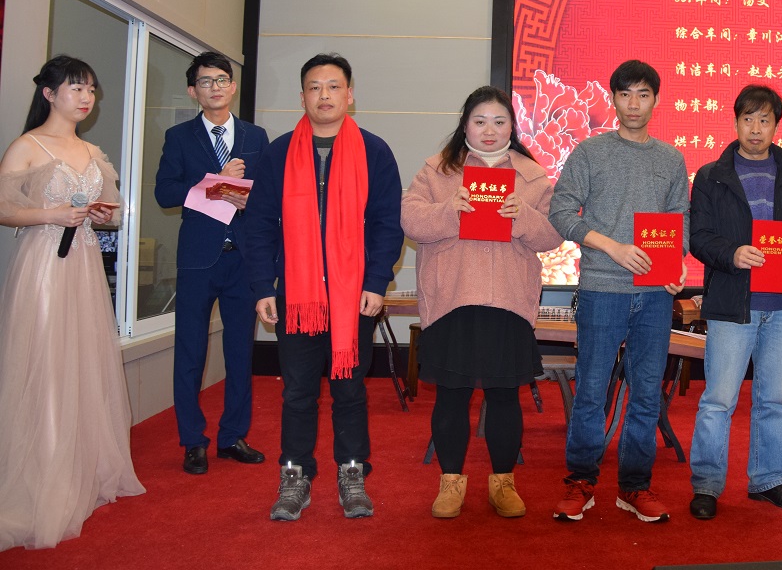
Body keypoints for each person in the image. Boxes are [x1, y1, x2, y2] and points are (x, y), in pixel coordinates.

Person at [244, 53, 404, 522]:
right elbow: (259, 225)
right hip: (296, 296)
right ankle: (295, 474)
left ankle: (352, 472)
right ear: (302, 97)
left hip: (354, 295)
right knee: (297, 392)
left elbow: (386, 224)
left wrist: (377, 281)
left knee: (350, 389)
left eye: (334, 86)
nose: (324, 95)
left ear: (350, 95)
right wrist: (263, 286)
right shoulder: (278, 153)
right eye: (314, 87)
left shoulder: (374, 151)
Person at [0, 56, 145, 550]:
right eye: (76, 88)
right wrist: (51, 214)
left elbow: (111, 216)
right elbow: (3, 208)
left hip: (83, 265)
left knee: (81, 359)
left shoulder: (90, 150)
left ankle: (83, 465)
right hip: (43, 265)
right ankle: (43, 474)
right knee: (46, 360)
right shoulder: (27, 145)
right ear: (49, 93)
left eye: (91, 90)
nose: (86, 98)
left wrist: (100, 215)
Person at [402, 86, 563, 519]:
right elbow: (410, 219)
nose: (489, 130)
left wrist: (524, 217)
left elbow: (554, 234)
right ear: (465, 125)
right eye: (479, 121)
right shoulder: (437, 170)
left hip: (508, 301)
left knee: (505, 396)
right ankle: (451, 482)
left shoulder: (533, 176)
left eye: (499, 121)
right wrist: (448, 210)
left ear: (512, 127)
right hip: (452, 299)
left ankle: (503, 483)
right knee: (451, 396)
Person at [548, 59, 689, 523]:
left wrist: (676, 263)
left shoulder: (671, 158)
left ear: (656, 100)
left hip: (655, 294)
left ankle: (634, 486)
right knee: (592, 389)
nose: (633, 103)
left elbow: (680, 221)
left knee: (646, 393)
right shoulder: (590, 152)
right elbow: (561, 211)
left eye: (643, 94)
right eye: (625, 94)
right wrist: (612, 246)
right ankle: (581, 481)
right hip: (601, 288)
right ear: (612, 99)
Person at [687, 84, 782, 520]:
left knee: (775, 400)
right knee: (718, 400)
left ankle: (768, 480)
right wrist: (732, 253)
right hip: (733, 303)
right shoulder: (711, 176)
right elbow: (698, 237)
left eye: (765, 120)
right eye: (748, 119)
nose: (755, 128)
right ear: (735, 122)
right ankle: (707, 484)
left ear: (776, 125)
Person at [155, 52, 270, 474]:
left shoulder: (256, 136)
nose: (215, 87)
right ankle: (192, 441)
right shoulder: (179, 137)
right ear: (193, 91)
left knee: (240, 352)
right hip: (198, 258)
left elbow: (269, 195)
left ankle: (232, 436)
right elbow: (165, 193)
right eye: (206, 82)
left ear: (232, 86)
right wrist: (218, 183)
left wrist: (245, 197)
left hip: (243, 259)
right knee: (190, 351)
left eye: (222, 79)